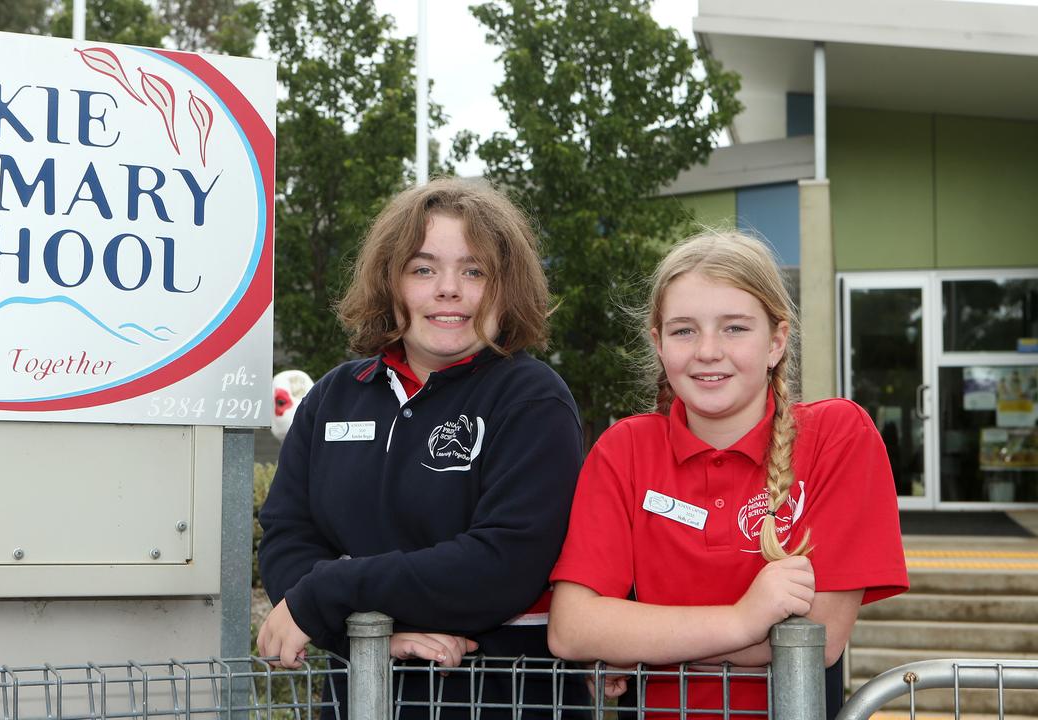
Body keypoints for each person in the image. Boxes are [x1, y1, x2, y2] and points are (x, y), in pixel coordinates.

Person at [257, 178, 586, 717]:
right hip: (357, 700)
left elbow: (503, 564)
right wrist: (367, 636)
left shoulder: (533, 399)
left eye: (474, 271)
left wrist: (333, 592)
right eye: (423, 268)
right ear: (391, 283)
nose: (448, 289)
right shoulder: (334, 396)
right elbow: (287, 538)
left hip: (500, 700)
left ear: (507, 288)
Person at [547, 231, 908, 718]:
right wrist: (743, 621)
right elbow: (572, 628)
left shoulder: (838, 437)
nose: (708, 351)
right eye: (683, 330)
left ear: (776, 341)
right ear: (658, 344)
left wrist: (638, 640)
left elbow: (818, 642)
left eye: (735, 328)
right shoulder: (625, 449)